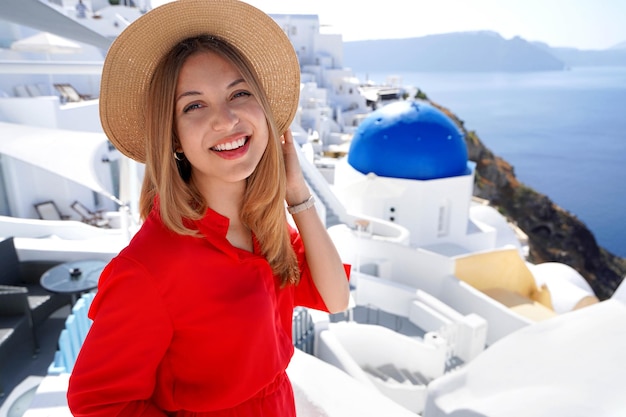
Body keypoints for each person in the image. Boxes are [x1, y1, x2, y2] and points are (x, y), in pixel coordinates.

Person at [66, 0, 350, 416]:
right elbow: (98, 403)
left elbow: (336, 299)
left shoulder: (262, 228)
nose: (226, 118)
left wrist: (297, 196)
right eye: (194, 105)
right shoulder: (149, 268)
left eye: (239, 93)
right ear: (174, 138)